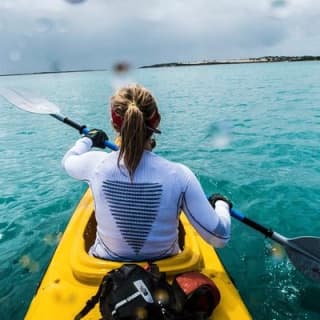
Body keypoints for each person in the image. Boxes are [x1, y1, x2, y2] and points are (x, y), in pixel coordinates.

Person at [62, 84, 231, 261]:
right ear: (157, 121)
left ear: (114, 124)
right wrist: (221, 204)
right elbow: (219, 237)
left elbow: (67, 161)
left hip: (103, 264)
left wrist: (87, 140)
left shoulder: (95, 164)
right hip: (166, 270)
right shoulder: (180, 175)